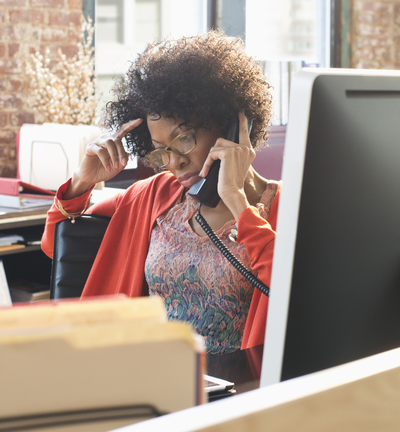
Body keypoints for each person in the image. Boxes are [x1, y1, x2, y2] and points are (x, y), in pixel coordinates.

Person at [41, 30, 278, 353]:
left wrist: (236, 199)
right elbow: (57, 245)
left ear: (231, 125)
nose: (175, 162)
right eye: (160, 151)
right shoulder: (152, 196)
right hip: (152, 382)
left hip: (244, 390)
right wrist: (83, 182)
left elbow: (294, 297)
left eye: (184, 138)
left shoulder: (286, 209)